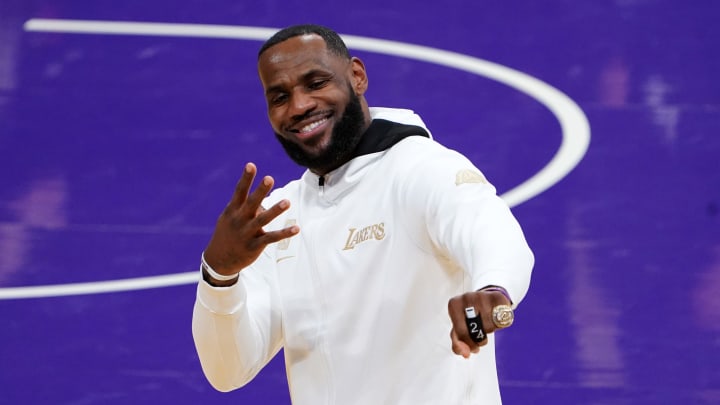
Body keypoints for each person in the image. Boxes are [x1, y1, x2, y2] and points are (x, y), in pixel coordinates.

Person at [192, 24, 534, 405]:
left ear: (357, 76)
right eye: (279, 97)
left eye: (316, 82)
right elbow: (227, 370)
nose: (299, 106)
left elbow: (490, 229)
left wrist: (493, 288)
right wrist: (220, 276)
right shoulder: (279, 220)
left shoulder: (420, 169)